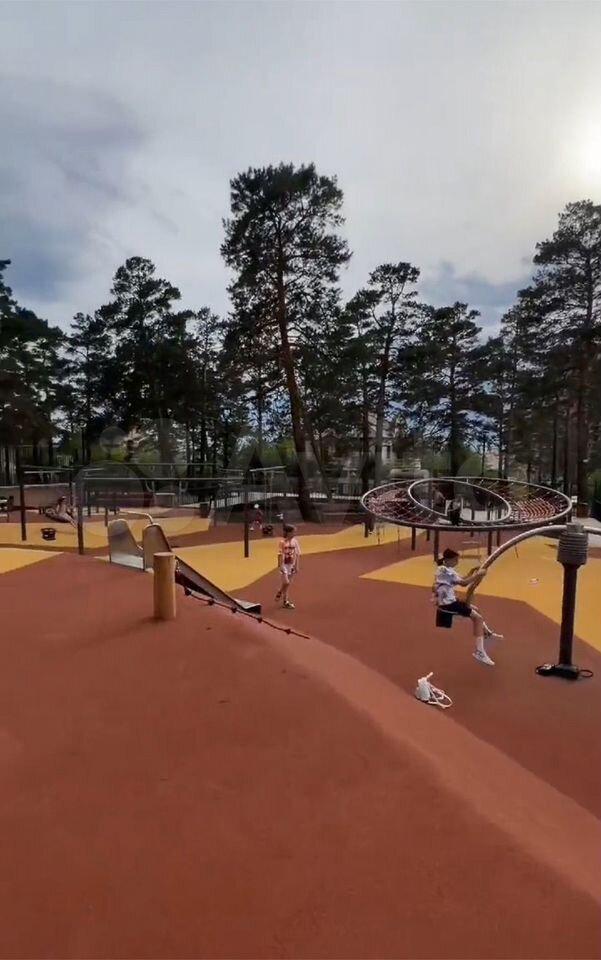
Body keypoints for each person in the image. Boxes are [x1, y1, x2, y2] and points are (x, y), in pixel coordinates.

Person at [433, 548, 501, 666]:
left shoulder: (448, 569)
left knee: (475, 610)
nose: (457, 562)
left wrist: (471, 573)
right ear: (448, 560)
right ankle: (480, 652)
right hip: (448, 605)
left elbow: (462, 579)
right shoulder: (444, 570)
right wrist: (477, 575)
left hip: (451, 601)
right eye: (455, 560)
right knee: (478, 618)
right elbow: (464, 584)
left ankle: (486, 633)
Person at [275, 524, 301, 609]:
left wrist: (296, 565)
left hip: (291, 564)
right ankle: (280, 591)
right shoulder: (282, 542)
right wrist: (280, 565)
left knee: (287, 585)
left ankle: (285, 601)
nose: (295, 534)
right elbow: (279, 554)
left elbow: (297, 554)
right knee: (286, 582)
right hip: (284, 565)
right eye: (293, 532)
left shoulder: (295, 542)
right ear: (289, 533)